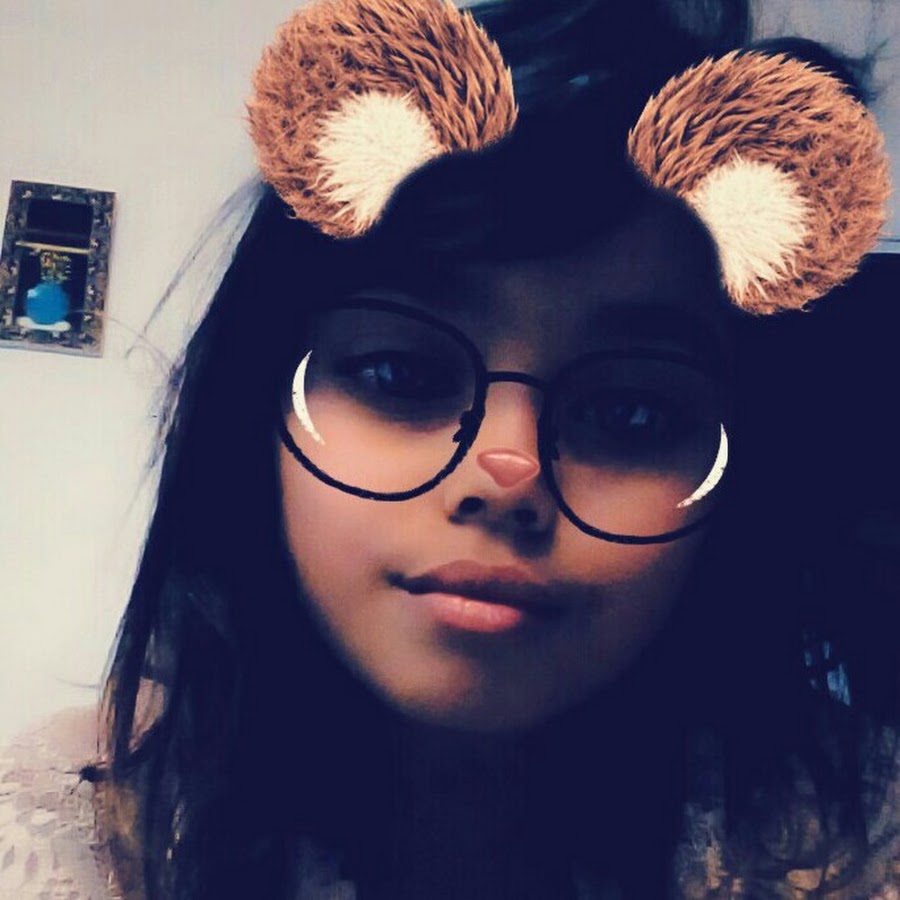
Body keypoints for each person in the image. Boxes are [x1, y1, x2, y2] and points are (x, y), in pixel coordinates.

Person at [1, 1, 895, 898]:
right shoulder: (72, 841)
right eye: (399, 374)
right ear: (254, 412)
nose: (505, 477)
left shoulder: (855, 844)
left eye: (631, 415)